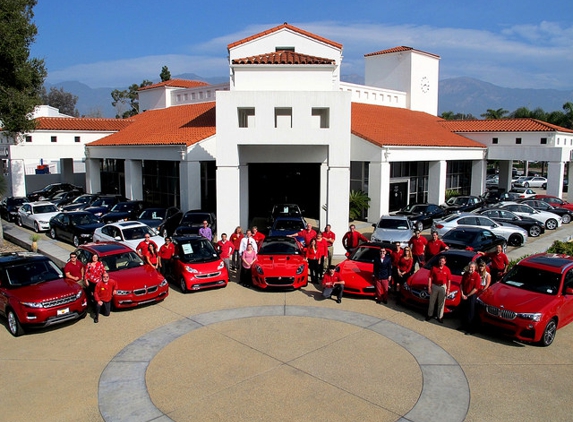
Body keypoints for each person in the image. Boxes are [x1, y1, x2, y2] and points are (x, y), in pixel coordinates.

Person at [426, 255, 451, 323]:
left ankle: (440, 316)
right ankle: (429, 315)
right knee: (432, 301)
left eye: (442, 261)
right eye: (440, 261)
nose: (441, 262)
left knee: (441, 302)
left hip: (443, 287)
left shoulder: (447, 269)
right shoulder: (434, 268)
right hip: (435, 286)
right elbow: (430, 278)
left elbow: (449, 280)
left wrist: (448, 289)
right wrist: (429, 287)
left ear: (445, 262)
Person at [458, 261, 481, 334]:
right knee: (463, 310)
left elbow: (476, 288)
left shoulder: (477, 276)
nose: (470, 268)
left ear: (475, 268)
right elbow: (461, 284)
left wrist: (468, 295)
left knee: (470, 312)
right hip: (464, 294)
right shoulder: (465, 274)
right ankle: (463, 325)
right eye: (470, 267)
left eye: (472, 267)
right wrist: (462, 294)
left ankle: (469, 329)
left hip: (471, 296)